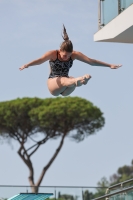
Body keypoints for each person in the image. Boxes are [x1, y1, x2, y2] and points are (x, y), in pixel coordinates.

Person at [19, 25, 122, 96]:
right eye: (64, 55)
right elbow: (40, 60)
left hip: (66, 89)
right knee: (66, 79)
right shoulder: (53, 54)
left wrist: (109, 65)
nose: (66, 58)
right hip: (53, 84)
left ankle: (81, 81)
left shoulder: (75, 54)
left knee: (70, 79)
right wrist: (27, 65)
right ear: (60, 51)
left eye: (68, 56)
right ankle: (80, 80)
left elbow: (91, 61)